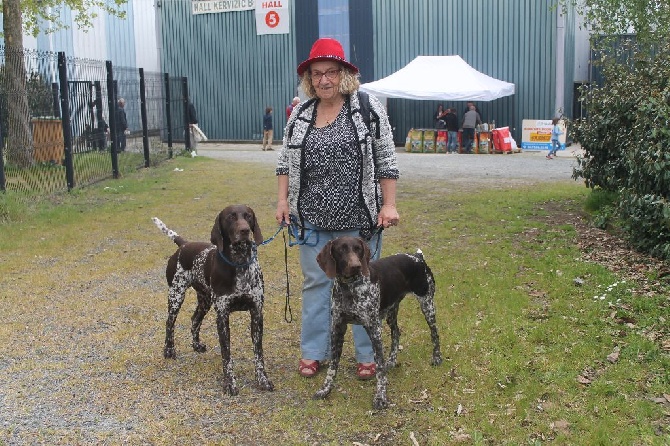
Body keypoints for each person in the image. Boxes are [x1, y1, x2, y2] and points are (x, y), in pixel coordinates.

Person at [275, 37, 399, 380]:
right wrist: (283, 200)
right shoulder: (300, 114)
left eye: (331, 72)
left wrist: (388, 204)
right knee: (316, 283)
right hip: (311, 220)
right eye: (317, 74)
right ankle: (314, 353)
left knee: (362, 284)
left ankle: (367, 355)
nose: (324, 80)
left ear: (343, 74)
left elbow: (385, 160)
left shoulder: (367, 108)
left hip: (358, 223)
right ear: (309, 79)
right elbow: (285, 162)